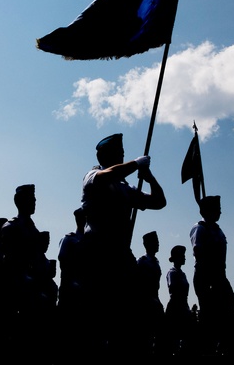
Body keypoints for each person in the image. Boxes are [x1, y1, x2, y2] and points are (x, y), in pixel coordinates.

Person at [80, 133, 166, 346]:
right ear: (105, 156)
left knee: (129, 305)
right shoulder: (93, 175)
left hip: (121, 251)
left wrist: (149, 177)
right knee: (98, 304)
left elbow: (159, 202)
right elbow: (105, 176)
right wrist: (136, 164)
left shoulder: (125, 188)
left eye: (123, 155)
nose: (122, 158)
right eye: (118, 154)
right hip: (98, 250)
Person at [191, 195, 234, 347]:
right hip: (205, 274)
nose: (220, 213)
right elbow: (198, 251)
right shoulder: (200, 228)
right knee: (208, 310)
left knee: (229, 302)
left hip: (220, 274)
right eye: (218, 209)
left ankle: (226, 342)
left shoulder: (217, 230)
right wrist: (208, 276)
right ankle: (205, 345)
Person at [163, 244, 193, 352]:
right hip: (175, 308)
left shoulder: (183, 274)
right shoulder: (172, 272)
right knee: (173, 340)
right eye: (182, 255)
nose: (184, 257)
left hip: (184, 307)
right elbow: (174, 289)